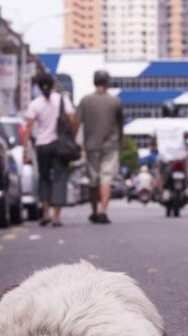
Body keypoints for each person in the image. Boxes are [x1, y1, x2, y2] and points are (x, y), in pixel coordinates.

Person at [23, 71, 77, 227]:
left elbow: (28, 127)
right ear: (53, 85)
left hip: (42, 145)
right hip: (60, 145)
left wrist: (25, 147)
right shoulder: (62, 100)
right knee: (60, 179)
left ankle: (45, 213)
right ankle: (56, 217)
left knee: (44, 179)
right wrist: (72, 137)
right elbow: (73, 119)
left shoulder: (35, 104)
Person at [76, 70, 124, 224]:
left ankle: (94, 211)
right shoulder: (115, 102)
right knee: (106, 179)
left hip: (91, 145)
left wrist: (75, 142)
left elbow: (77, 122)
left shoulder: (85, 101)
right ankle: (103, 210)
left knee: (93, 180)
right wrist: (120, 141)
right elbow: (120, 124)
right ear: (107, 83)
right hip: (110, 146)